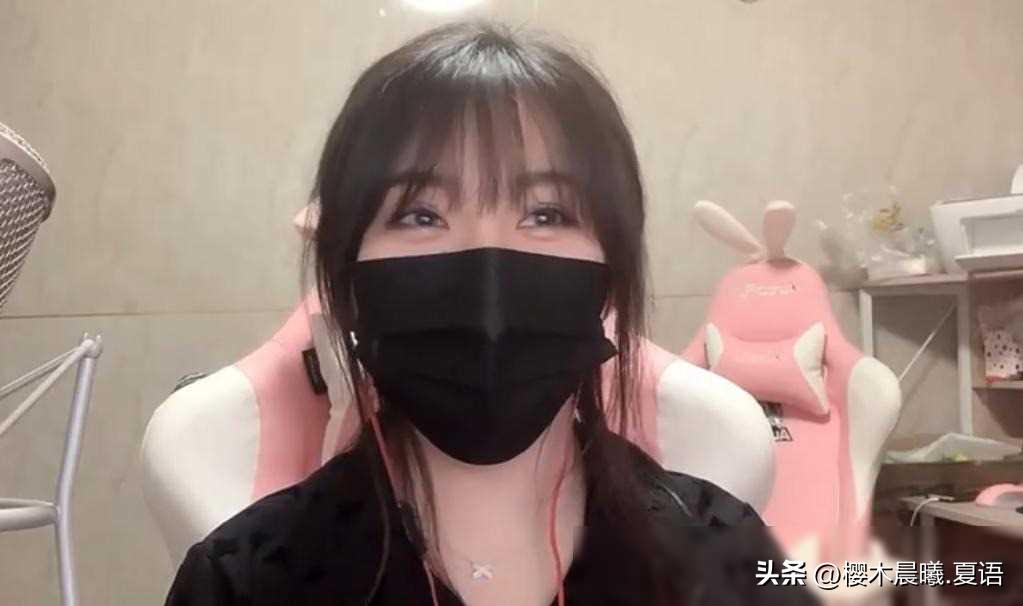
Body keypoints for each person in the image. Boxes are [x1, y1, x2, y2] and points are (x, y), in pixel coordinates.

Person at [165, 21, 817, 606]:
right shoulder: (242, 582)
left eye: (545, 213)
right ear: (348, 269)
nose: (488, 272)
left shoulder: (726, 558)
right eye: (420, 215)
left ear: (612, 268)